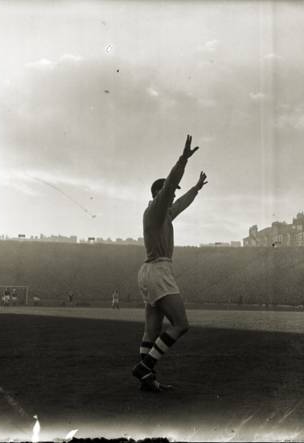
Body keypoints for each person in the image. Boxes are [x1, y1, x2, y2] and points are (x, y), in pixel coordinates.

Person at [132, 134, 208, 393]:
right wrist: (183, 159)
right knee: (181, 324)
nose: (172, 196)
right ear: (158, 194)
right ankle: (146, 367)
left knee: (150, 331)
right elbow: (170, 187)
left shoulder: (162, 215)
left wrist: (195, 190)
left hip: (148, 272)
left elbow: (181, 204)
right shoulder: (155, 209)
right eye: (169, 193)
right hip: (159, 271)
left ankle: (147, 381)